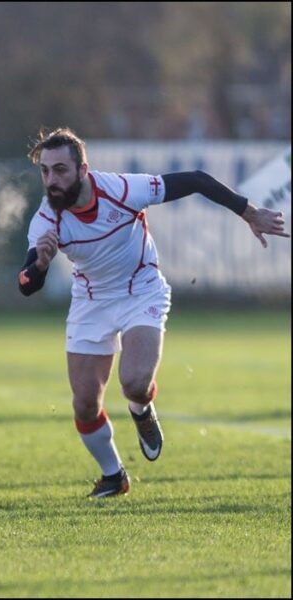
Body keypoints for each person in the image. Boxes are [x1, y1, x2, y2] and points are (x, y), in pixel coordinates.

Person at [18, 127, 288, 498]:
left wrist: (249, 212)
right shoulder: (46, 219)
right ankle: (114, 475)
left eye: (61, 170)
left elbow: (195, 180)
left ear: (83, 170)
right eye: (45, 171)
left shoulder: (123, 190)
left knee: (135, 382)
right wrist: (41, 266)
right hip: (90, 300)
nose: (52, 180)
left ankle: (141, 409)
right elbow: (26, 284)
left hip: (140, 288)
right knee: (83, 404)